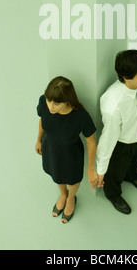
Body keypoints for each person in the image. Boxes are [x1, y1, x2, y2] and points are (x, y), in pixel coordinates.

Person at [96, 50, 137, 214]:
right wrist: (100, 170)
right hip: (123, 144)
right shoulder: (114, 105)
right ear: (126, 77)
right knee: (115, 173)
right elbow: (108, 139)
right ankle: (113, 195)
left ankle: (132, 176)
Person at [35, 76, 98, 223]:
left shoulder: (81, 116)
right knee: (56, 173)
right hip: (50, 148)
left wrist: (90, 169)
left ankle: (71, 198)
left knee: (72, 178)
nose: (50, 106)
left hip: (71, 154)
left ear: (67, 101)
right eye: (48, 100)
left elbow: (91, 142)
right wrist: (38, 140)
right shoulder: (44, 103)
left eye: (56, 103)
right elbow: (42, 120)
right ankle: (63, 194)